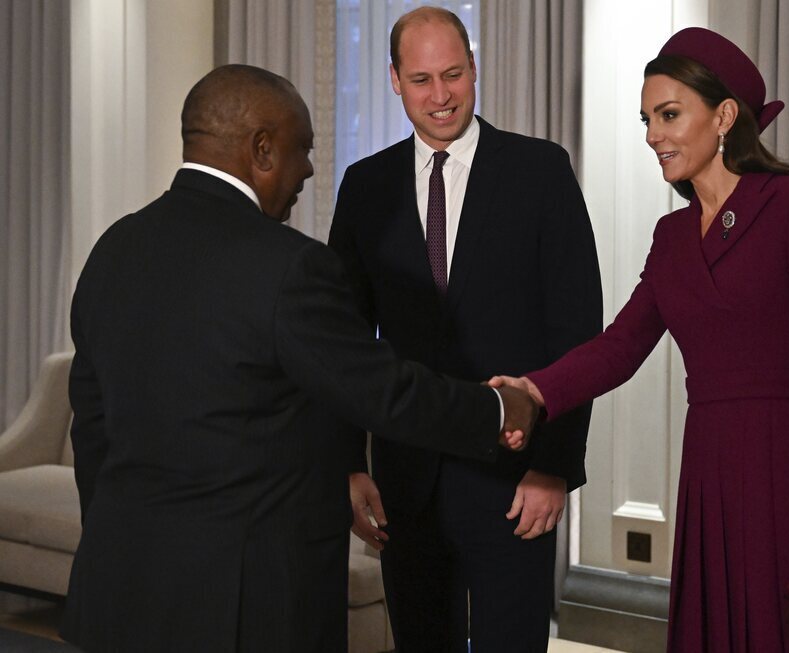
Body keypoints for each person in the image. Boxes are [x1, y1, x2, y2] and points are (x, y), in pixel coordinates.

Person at [61, 64, 539, 653]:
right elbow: (380, 390)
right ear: (263, 149)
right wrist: (498, 408)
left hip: (117, 588)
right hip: (246, 608)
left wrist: (122, 539)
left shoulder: (112, 249)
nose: (310, 169)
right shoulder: (289, 267)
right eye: (302, 149)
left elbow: (93, 428)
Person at [491, 27, 789, 652]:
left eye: (668, 115)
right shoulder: (671, 237)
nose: (651, 135)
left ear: (723, 117)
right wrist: (533, 388)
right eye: (645, 119)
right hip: (708, 466)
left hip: (786, 465)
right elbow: (619, 348)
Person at [328, 7, 602, 651]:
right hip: (404, 482)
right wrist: (347, 462)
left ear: (475, 70)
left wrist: (555, 466)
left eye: (453, 74)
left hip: (515, 478)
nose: (441, 95)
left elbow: (577, 333)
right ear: (395, 80)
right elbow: (340, 338)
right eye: (421, 79)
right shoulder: (364, 187)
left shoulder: (541, 172)